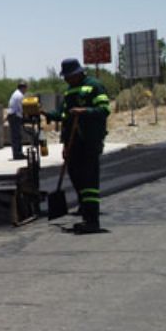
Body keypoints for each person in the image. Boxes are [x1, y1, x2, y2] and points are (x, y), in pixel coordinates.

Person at [43, 58, 110, 234]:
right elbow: (65, 114)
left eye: (69, 76)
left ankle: (92, 220)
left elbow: (104, 110)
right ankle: (84, 210)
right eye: (65, 77)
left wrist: (84, 111)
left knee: (89, 181)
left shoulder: (94, 86)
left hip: (89, 140)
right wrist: (49, 114)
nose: (67, 80)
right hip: (72, 141)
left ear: (78, 73)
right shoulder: (69, 91)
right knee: (76, 176)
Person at [7, 81, 29, 160]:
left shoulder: (16, 94)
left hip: (13, 115)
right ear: (23, 88)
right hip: (15, 116)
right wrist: (26, 115)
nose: (26, 90)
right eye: (26, 88)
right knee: (17, 136)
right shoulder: (19, 95)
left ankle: (17, 153)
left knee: (16, 136)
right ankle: (17, 154)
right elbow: (21, 108)